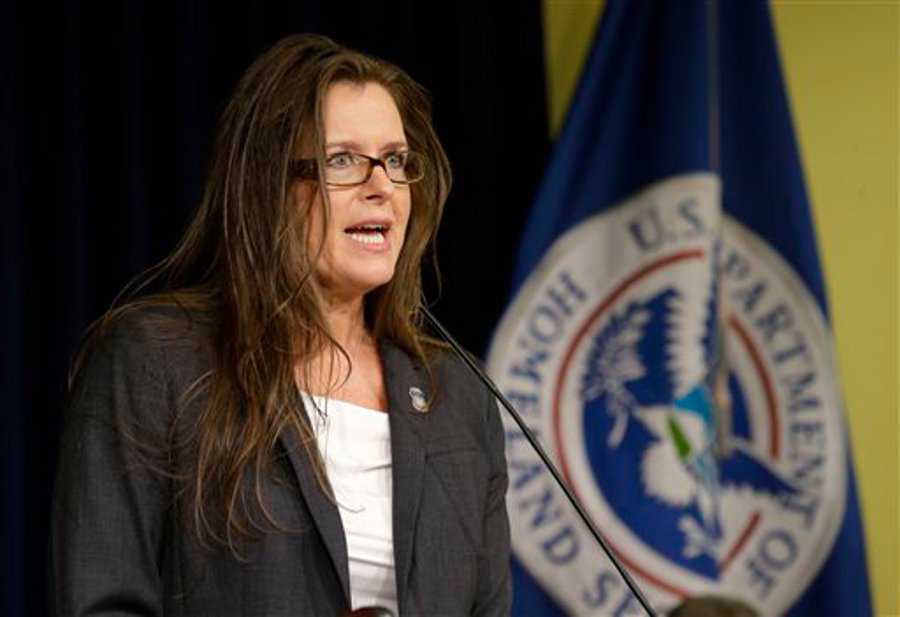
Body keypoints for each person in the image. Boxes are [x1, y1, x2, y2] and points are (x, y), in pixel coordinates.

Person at [50, 34, 511, 616]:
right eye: (342, 160)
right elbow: (102, 603)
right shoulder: (157, 360)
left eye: (395, 160)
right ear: (266, 187)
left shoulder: (458, 396)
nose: (382, 187)